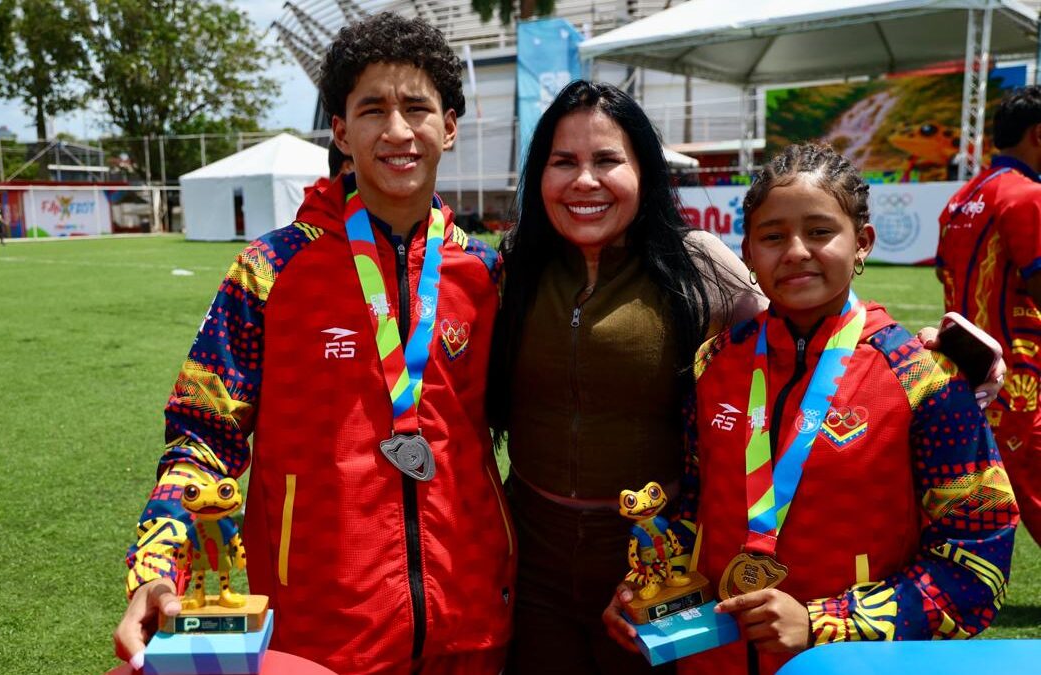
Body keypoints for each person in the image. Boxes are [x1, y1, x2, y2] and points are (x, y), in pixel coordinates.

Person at [114, 12, 515, 674]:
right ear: (341, 130)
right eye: (372, 109)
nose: (397, 130)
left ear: (449, 126)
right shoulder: (268, 270)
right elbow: (201, 436)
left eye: (417, 108)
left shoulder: (486, 274)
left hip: (472, 624)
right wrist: (158, 567)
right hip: (318, 636)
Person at [604, 143, 1018, 674]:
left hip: (851, 665)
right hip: (713, 661)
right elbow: (695, 509)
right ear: (747, 252)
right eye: (773, 236)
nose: (796, 251)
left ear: (862, 242)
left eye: (820, 232)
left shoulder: (925, 379)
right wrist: (652, 587)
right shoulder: (714, 362)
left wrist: (824, 623)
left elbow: (976, 560)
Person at [487, 80, 760, 673]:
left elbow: (800, 343)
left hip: (656, 560)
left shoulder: (699, 262)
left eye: (607, 160)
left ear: (644, 170)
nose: (585, 181)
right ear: (539, 174)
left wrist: (914, 347)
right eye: (564, 162)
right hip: (529, 557)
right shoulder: (513, 266)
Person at [937, 85, 1041, 544]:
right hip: (1020, 376)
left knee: (982, 489)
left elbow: (943, 273)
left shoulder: (962, 197)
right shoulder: (1027, 195)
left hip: (968, 367)